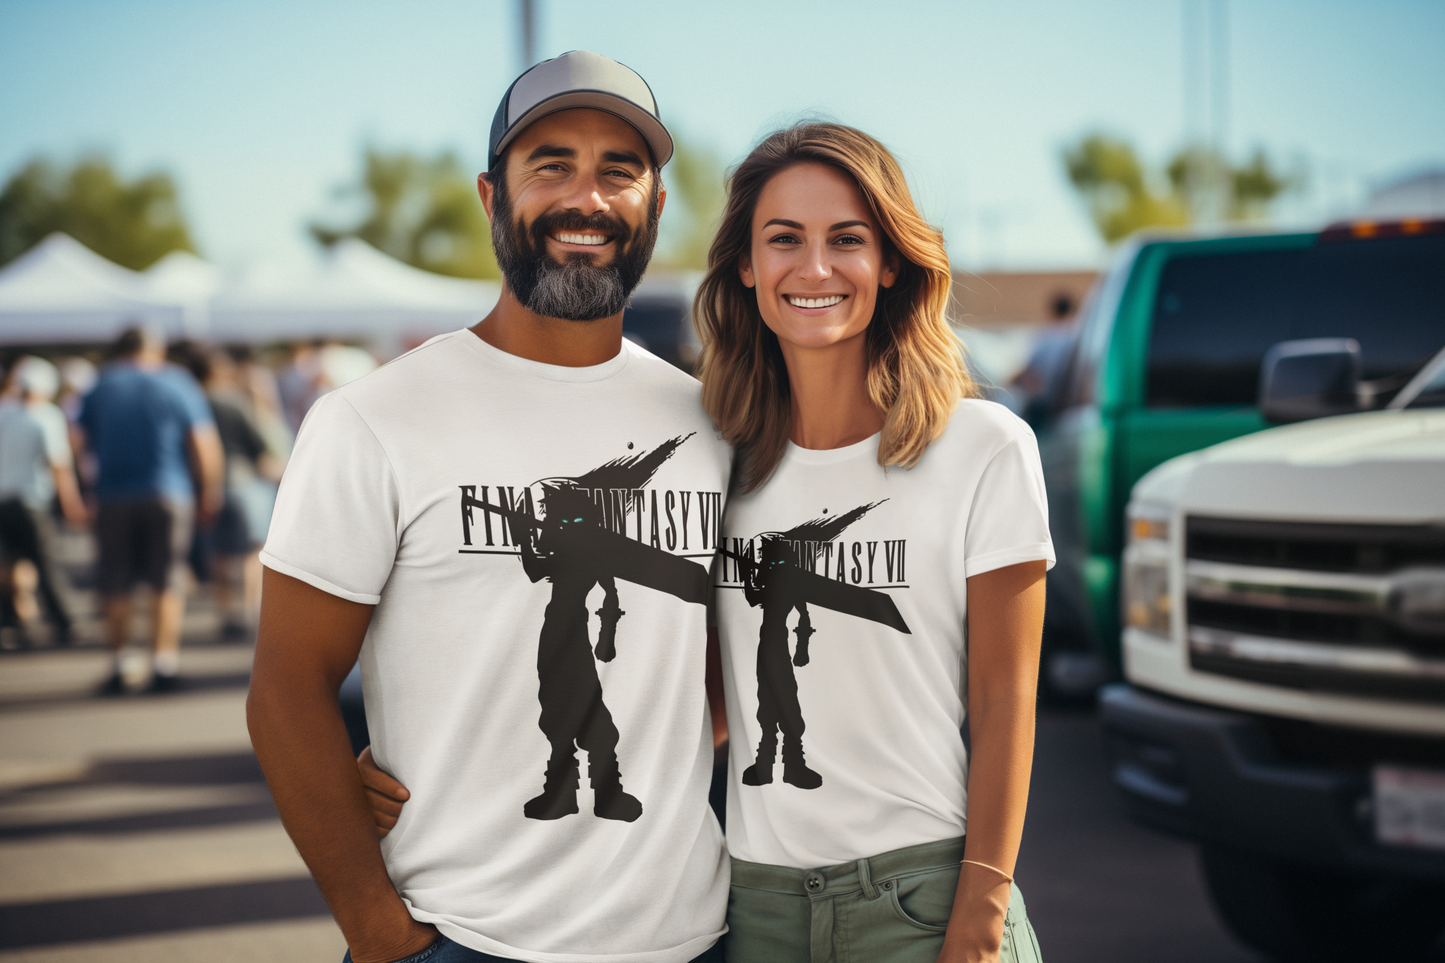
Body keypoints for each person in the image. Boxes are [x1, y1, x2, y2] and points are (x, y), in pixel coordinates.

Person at [361, 125, 1054, 963]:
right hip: (755, 909)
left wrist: (980, 910)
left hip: (922, 899)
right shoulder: (720, 463)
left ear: (893, 261)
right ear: (745, 267)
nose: (816, 268)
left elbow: (1006, 696)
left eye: (848, 240)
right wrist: (433, 755)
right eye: (783, 240)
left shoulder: (982, 448)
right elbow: (687, 691)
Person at [248, 51, 731, 963]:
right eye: (550, 164)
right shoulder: (372, 418)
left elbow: (715, 672)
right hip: (459, 941)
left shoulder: (709, 426)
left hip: (692, 941)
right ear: (489, 195)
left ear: (655, 208)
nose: (585, 197)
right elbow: (286, 689)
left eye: (618, 171)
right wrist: (380, 931)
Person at [78, 325, 224, 694]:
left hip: (112, 494)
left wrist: (86, 487)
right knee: (167, 578)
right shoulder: (177, 382)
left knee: (116, 580)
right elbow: (203, 443)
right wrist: (209, 491)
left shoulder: (100, 385)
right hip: (168, 491)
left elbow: (77, 442)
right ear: (154, 351)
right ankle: (163, 663)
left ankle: (120, 662)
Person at [0, 356, 88, 646]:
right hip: (31, 501)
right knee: (46, 564)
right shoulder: (46, 415)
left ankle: (10, 621)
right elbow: (59, 465)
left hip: (4, 500)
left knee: (8, 564)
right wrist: (72, 504)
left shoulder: (4, 413)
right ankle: (65, 622)